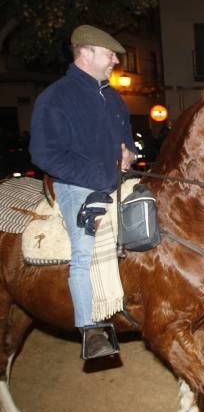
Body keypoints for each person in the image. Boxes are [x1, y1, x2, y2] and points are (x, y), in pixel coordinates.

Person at [30, 24, 135, 360]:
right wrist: (97, 176)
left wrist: (129, 152)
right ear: (86, 53)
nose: (116, 61)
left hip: (116, 180)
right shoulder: (55, 97)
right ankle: (90, 327)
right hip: (76, 186)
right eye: (110, 54)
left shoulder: (114, 98)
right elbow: (45, 154)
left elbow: (128, 142)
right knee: (85, 247)